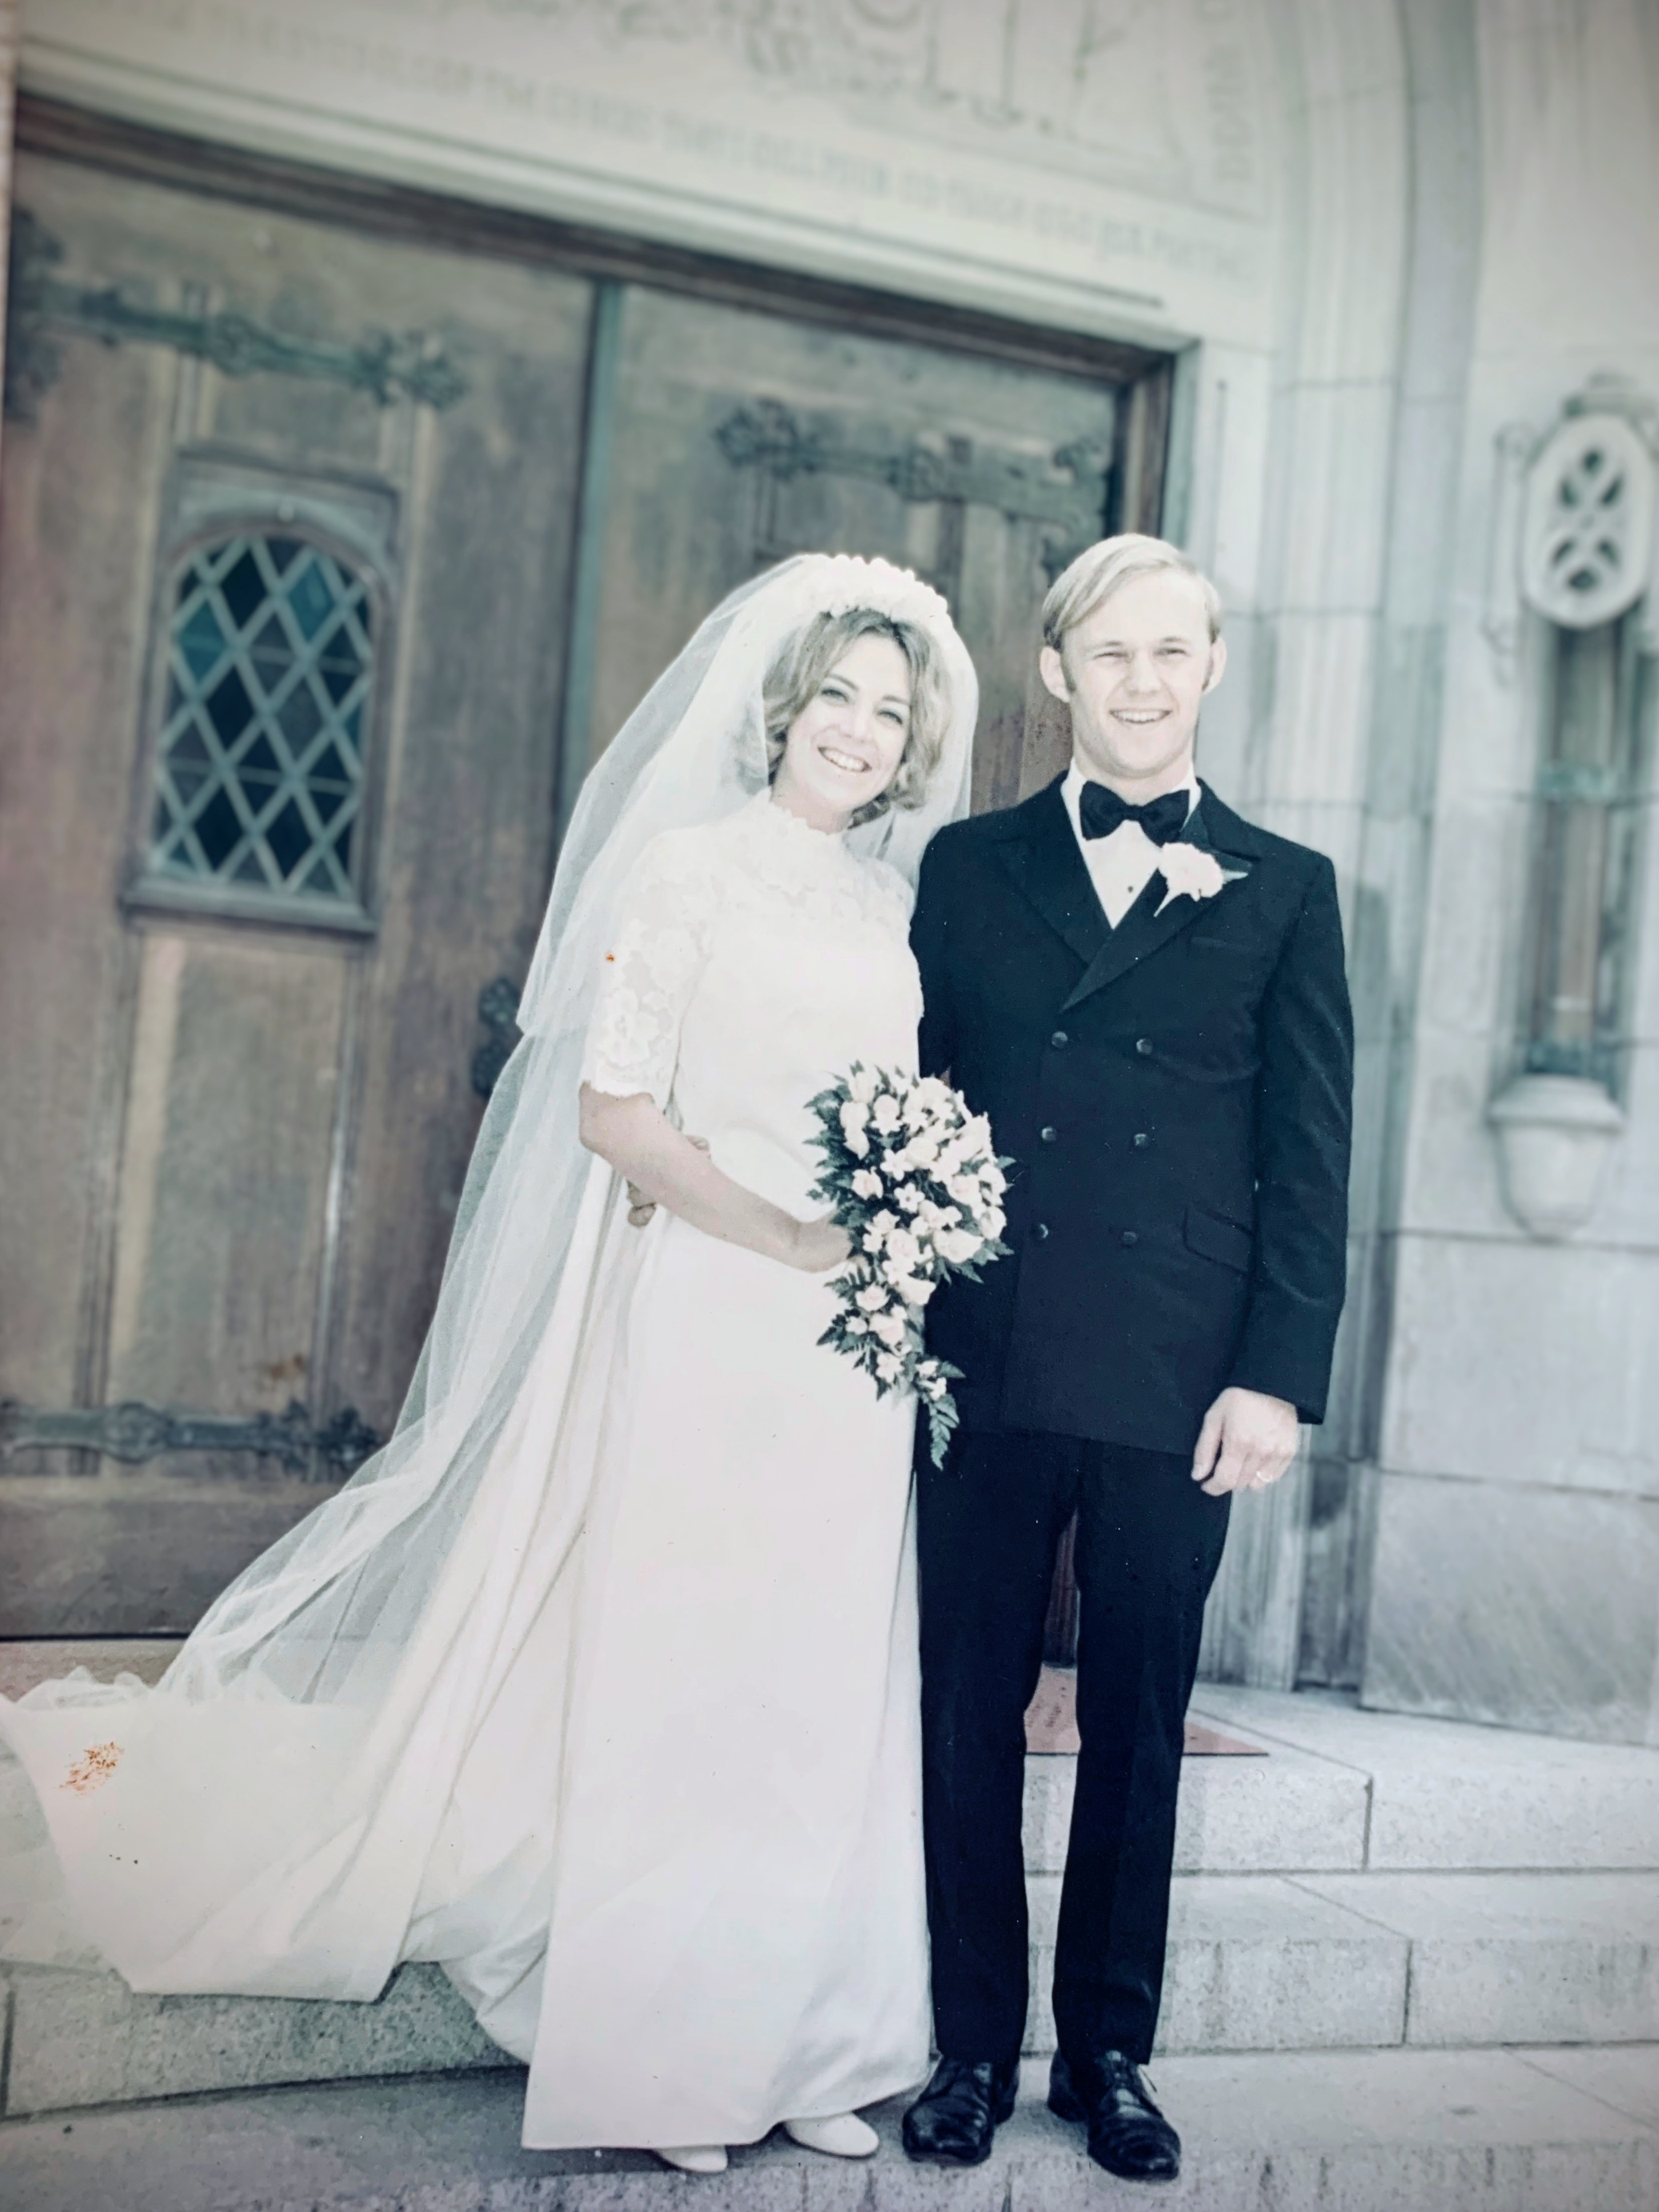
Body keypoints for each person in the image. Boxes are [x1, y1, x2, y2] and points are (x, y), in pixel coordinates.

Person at [0, 554, 978, 2173]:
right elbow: (616, 1113)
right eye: (839, 697)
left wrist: (892, 1230)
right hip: (713, 1306)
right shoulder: (686, 871)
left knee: (815, 1682)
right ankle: (670, 2057)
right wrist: (782, 1232)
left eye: (891, 712)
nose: (860, 731)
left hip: (849, 1350)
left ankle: (810, 2033)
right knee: (690, 1663)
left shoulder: (889, 905)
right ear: (785, 703)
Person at [901, 534, 1353, 2183]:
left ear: (1212, 667)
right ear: (1057, 674)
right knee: (966, 1703)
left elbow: (1309, 1155)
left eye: (1171, 652)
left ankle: (1109, 2054)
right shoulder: (966, 868)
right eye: (1111, 654)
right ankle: (966, 2048)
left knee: (1140, 1717)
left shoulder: (1286, 886)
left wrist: (1278, 1375)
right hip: (988, 1351)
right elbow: (905, 1097)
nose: (1142, 683)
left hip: (1182, 1373)